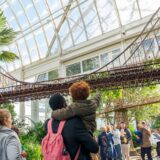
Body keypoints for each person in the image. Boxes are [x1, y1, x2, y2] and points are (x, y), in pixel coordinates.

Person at [44, 93, 99, 159]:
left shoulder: (48, 124)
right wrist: (88, 130)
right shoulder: (74, 123)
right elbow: (94, 148)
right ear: (64, 104)